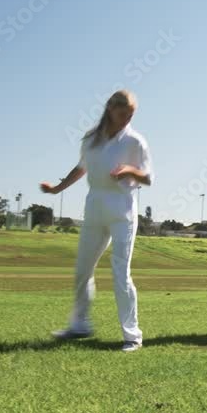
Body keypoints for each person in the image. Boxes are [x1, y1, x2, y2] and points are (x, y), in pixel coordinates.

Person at [40, 89, 153, 353]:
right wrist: (57, 189)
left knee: (120, 273)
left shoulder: (135, 141)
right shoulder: (91, 139)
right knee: (82, 270)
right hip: (94, 209)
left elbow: (148, 177)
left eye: (131, 115)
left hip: (122, 211)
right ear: (110, 110)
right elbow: (82, 168)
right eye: (123, 113)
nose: (127, 119)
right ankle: (80, 325)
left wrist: (130, 170)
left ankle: (132, 336)